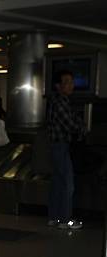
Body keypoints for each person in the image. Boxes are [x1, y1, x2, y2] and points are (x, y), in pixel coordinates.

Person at [47, 70, 86, 229]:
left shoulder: (56, 101)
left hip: (56, 146)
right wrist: (82, 128)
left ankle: (54, 217)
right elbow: (71, 125)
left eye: (72, 81)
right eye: (67, 82)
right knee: (67, 184)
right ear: (59, 86)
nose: (71, 85)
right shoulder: (61, 102)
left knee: (57, 183)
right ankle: (65, 219)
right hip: (60, 145)